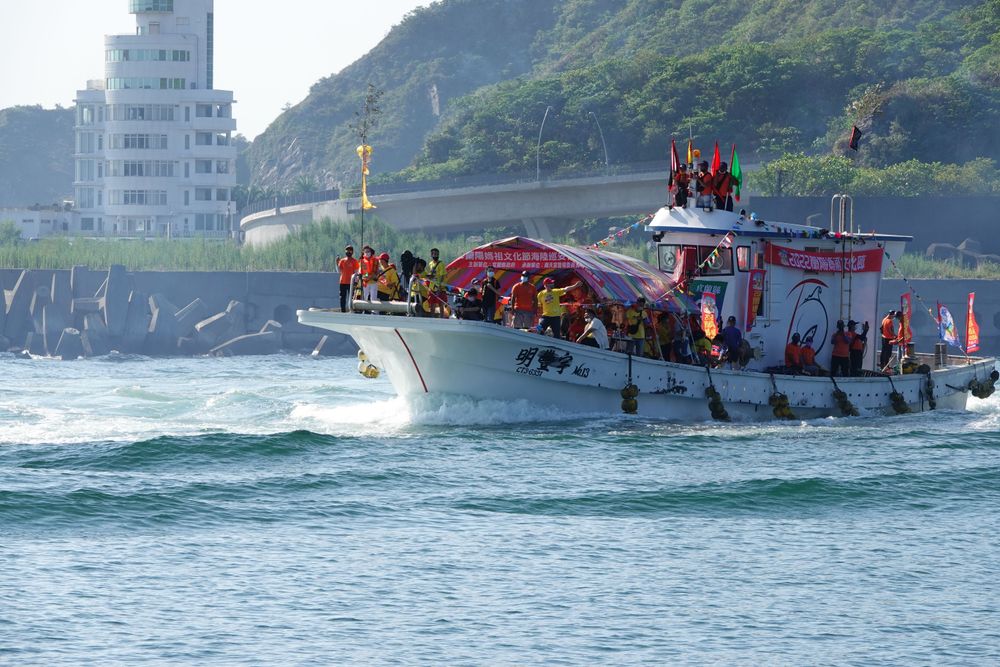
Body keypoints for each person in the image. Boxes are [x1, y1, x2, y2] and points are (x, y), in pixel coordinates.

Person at [336, 245, 359, 313]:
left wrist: (355, 282)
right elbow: (339, 271)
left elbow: (356, 272)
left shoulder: (354, 261)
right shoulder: (342, 260)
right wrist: (337, 263)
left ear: (352, 252)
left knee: (351, 297)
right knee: (342, 297)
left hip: (351, 283)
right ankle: (343, 310)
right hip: (342, 282)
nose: (348, 251)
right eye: (347, 250)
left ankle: (351, 310)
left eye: (350, 250)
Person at [426, 248, 448, 317]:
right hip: (432, 287)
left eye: (436, 254)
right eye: (434, 254)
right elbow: (430, 274)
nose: (435, 255)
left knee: (441, 303)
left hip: (440, 288)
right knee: (432, 303)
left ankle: (442, 317)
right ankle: (432, 317)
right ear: (431, 255)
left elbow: (442, 276)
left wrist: (439, 287)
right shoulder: (430, 264)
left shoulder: (441, 264)